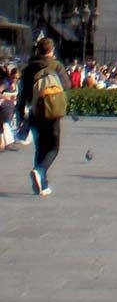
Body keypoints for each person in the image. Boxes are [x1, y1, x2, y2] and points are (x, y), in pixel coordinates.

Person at [18, 36, 71, 196]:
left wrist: (21, 113)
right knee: (53, 147)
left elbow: (23, 94)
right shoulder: (56, 65)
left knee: (40, 147)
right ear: (51, 50)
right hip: (52, 111)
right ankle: (39, 171)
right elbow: (67, 85)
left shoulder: (28, 67)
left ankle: (41, 184)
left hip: (35, 111)